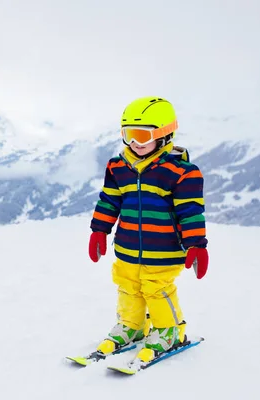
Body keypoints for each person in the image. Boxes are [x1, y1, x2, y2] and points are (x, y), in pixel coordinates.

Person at [88, 96, 209, 363]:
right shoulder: (118, 167)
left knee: (156, 289)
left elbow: (190, 212)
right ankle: (132, 327)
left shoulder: (182, 172)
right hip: (127, 247)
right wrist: (99, 229)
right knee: (128, 286)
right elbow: (109, 200)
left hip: (164, 249)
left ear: (165, 134)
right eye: (129, 134)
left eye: (143, 135)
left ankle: (169, 332)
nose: (135, 142)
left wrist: (197, 245)